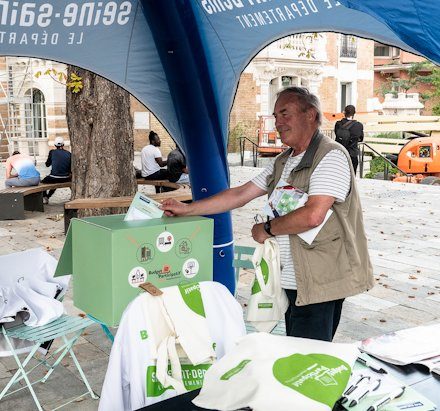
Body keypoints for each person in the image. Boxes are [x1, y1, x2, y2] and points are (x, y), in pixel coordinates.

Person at [161, 87, 373, 342]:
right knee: (294, 354)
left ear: (310, 115)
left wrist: (267, 229)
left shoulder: (330, 156)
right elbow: (240, 194)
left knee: (307, 360)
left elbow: (313, 215)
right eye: (275, 116)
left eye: (285, 114)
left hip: (320, 280)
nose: (278, 122)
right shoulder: (284, 160)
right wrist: (188, 209)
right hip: (291, 278)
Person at [334, 105, 364, 174]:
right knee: (352, 175)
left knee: (339, 174)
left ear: (344, 113)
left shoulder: (338, 124)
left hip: (340, 153)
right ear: (354, 113)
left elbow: (337, 135)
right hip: (352, 154)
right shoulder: (359, 125)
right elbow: (360, 138)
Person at [42, 137, 72, 204]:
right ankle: (48, 197)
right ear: (63, 145)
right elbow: (70, 168)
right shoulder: (69, 154)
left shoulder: (52, 152)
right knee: (56, 179)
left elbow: (47, 164)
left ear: (55, 145)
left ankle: (45, 197)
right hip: (66, 178)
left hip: (54, 177)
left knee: (42, 182)